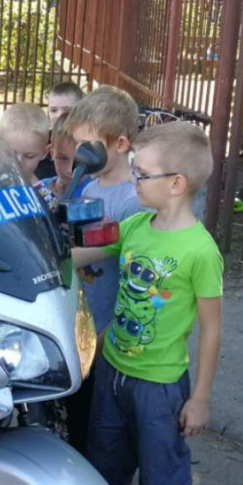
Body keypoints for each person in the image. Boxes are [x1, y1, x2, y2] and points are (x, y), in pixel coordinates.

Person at [74, 122, 224, 485]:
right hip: (112, 374)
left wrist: (200, 398)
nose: (134, 180)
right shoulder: (136, 224)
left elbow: (213, 328)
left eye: (142, 173)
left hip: (159, 389)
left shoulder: (200, 250)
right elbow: (82, 254)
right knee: (106, 473)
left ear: (176, 183)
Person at [64, 86, 147, 335]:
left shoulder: (134, 201)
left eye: (87, 144)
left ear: (120, 144)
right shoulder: (91, 187)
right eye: (77, 144)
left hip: (112, 326)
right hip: (85, 311)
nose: (80, 153)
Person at [36, 81, 86, 180]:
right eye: (53, 110)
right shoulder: (39, 143)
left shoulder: (88, 143)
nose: (59, 115)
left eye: (67, 110)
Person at [0, 101, 51, 192]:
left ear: (44, 153)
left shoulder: (44, 195)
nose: (18, 162)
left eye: (29, 156)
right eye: (9, 154)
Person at [39, 113, 80, 206]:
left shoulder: (94, 195)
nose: (70, 169)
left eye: (79, 160)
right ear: (52, 154)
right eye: (63, 159)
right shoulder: (42, 189)